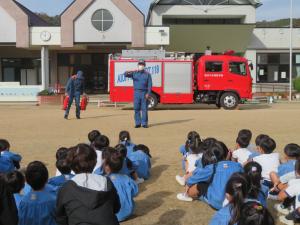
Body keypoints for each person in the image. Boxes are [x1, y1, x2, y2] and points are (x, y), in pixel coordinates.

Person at [56, 144, 120, 225]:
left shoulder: (66, 188)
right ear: (95, 161)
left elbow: (61, 217)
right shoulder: (106, 182)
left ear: (70, 165)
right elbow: (116, 208)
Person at [177, 141, 243, 210]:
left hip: (217, 202)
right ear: (228, 153)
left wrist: (188, 183)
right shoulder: (238, 166)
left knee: (200, 185)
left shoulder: (212, 167)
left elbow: (195, 178)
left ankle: (187, 195)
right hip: (234, 200)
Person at [103, 149, 138, 222]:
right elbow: (135, 192)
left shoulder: (103, 180)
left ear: (107, 167)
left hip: (110, 215)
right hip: (127, 212)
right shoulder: (127, 179)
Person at [125, 60, 152, 128]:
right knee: (136, 108)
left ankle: (144, 123)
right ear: (138, 65)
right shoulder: (134, 73)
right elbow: (125, 74)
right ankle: (138, 123)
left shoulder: (147, 74)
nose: (141, 66)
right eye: (140, 64)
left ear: (144, 66)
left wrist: (148, 93)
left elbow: (150, 85)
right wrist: (130, 71)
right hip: (136, 93)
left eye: (142, 65)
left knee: (144, 109)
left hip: (144, 93)